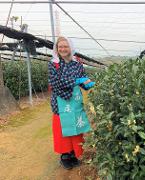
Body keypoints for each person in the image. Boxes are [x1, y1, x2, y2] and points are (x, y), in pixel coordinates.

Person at [48, 36, 94, 170]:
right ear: (56, 49)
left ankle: (74, 154)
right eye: (60, 46)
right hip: (60, 102)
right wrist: (76, 82)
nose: (62, 49)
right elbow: (55, 83)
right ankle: (65, 156)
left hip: (75, 101)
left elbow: (82, 80)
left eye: (65, 46)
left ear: (70, 48)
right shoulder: (54, 64)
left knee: (76, 126)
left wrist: (87, 84)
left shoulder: (77, 63)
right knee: (63, 128)